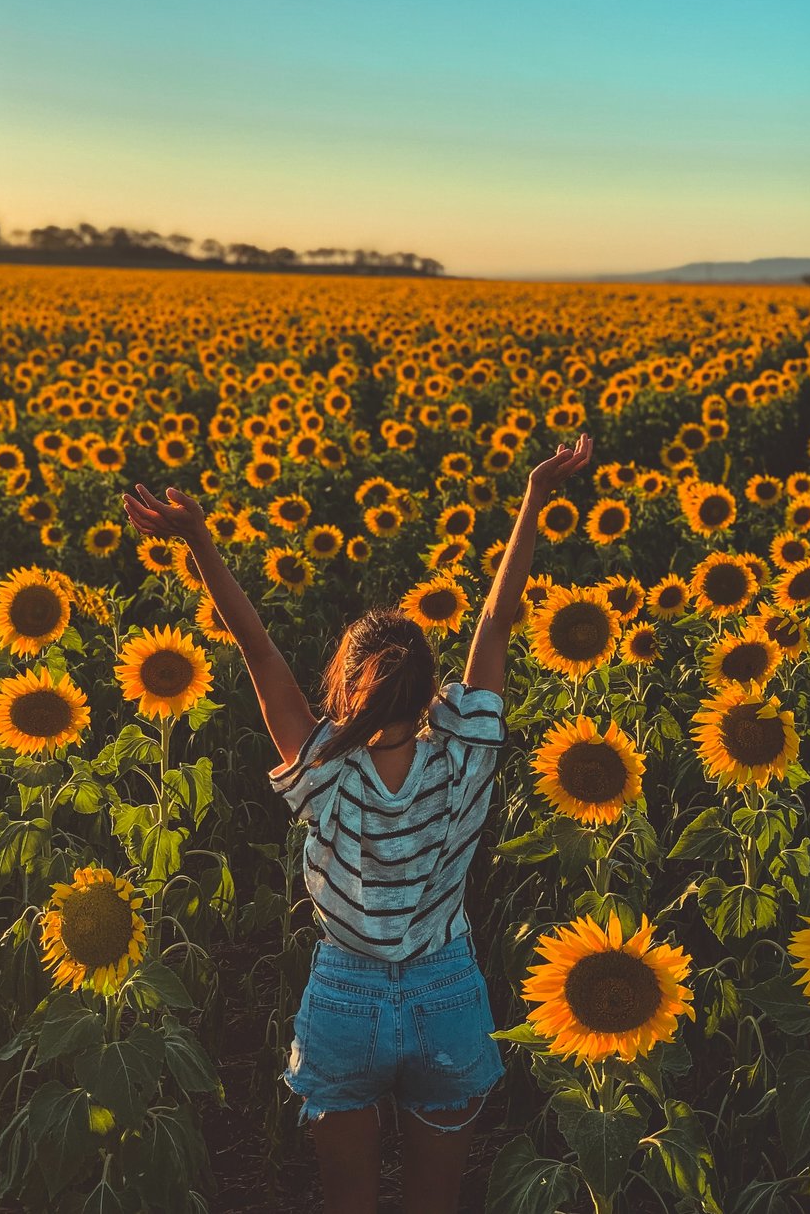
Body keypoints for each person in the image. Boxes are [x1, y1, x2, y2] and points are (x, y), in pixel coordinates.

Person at [121, 432, 593, 1214]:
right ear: (430, 690)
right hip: (447, 993)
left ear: (345, 687)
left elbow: (256, 648)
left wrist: (199, 539)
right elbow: (496, 620)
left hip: (345, 997)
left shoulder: (325, 768)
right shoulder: (464, 758)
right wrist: (535, 495)